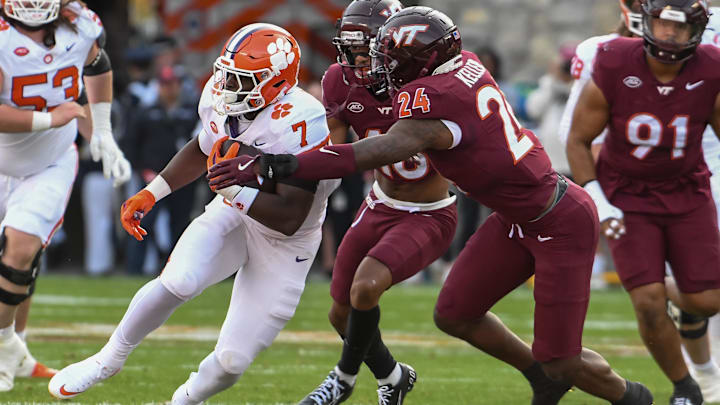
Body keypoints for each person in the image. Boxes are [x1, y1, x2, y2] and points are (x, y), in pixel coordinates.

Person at [208, 6, 654, 405]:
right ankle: (542, 377)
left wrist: (277, 165)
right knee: (454, 314)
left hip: (558, 219)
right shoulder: (464, 67)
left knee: (561, 359)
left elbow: (377, 150)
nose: (379, 67)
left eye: (390, 58)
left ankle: (633, 397)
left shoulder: (435, 100)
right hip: (515, 215)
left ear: (420, 62)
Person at [48, 23, 340, 404]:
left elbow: (291, 216)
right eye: (229, 75)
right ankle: (107, 360)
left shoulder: (302, 120)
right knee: (179, 280)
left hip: (287, 239)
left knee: (232, 361)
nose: (228, 86)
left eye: (242, 79)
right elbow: (204, 147)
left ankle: (184, 400)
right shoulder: (220, 96)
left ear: (275, 82)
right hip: (234, 211)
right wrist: (153, 194)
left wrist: (231, 186)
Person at [297, 1, 457, 404]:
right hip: (380, 202)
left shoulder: (426, 82)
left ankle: (342, 380)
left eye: (366, 49)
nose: (356, 61)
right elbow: (333, 150)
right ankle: (392, 376)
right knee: (340, 313)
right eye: (350, 49)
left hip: (428, 212)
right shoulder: (340, 80)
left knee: (365, 288)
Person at [561, 1, 720, 402]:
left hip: (688, 191)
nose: (668, 36)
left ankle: (659, 283)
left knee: (708, 300)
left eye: (679, 29)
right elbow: (577, 137)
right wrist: (598, 198)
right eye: (662, 25)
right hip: (627, 194)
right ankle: (686, 388)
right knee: (647, 304)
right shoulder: (613, 58)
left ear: (697, 33)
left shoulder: (712, 66)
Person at [0, 0, 130, 392]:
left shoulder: (80, 24)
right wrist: (50, 118)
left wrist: (103, 131)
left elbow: (97, 63)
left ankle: (8, 347)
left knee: (22, 249)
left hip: (49, 161)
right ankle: (9, 346)